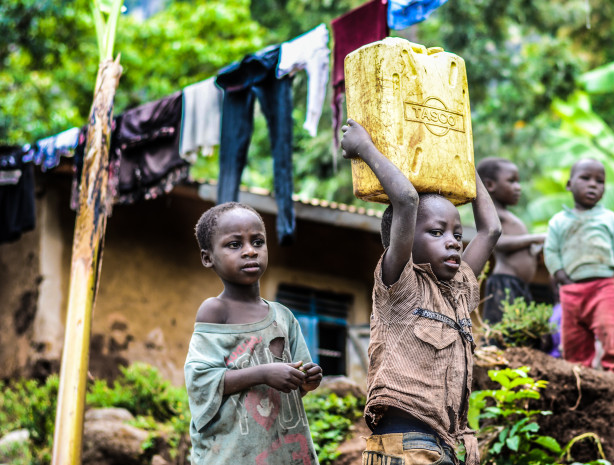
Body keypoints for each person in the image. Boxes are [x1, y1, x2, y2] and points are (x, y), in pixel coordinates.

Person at [341, 119, 501, 465]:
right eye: (437, 232)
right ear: (403, 239)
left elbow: (490, 230)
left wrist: (463, 156)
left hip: (444, 447)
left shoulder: (458, 291)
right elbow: (405, 200)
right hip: (403, 447)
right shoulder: (400, 285)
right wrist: (363, 147)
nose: (453, 242)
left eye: (457, 235)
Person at [184, 202, 323, 465]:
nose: (250, 251)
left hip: (284, 453)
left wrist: (307, 379)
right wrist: (264, 373)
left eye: (258, 242)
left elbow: (297, 387)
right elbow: (200, 381)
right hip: (230, 455)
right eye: (234, 244)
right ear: (208, 258)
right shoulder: (215, 311)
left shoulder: (283, 316)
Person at [543, 158, 614, 375]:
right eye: (585, 178)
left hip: (604, 286)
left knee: (610, 332)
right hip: (570, 289)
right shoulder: (558, 221)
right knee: (574, 339)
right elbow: (551, 251)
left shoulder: (610, 219)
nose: (593, 184)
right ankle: (579, 377)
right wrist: (561, 276)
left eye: (600, 181)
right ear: (569, 185)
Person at [476, 157, 546, 326]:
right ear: (490, 185)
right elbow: (496, 242)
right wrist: (535, 238)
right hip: (505, 282)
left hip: (518, 284)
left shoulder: (509, 215)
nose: (518, 187)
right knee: (502, 331)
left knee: (518, 331)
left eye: (518, 182)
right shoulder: (492, 213)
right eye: (512, 181)